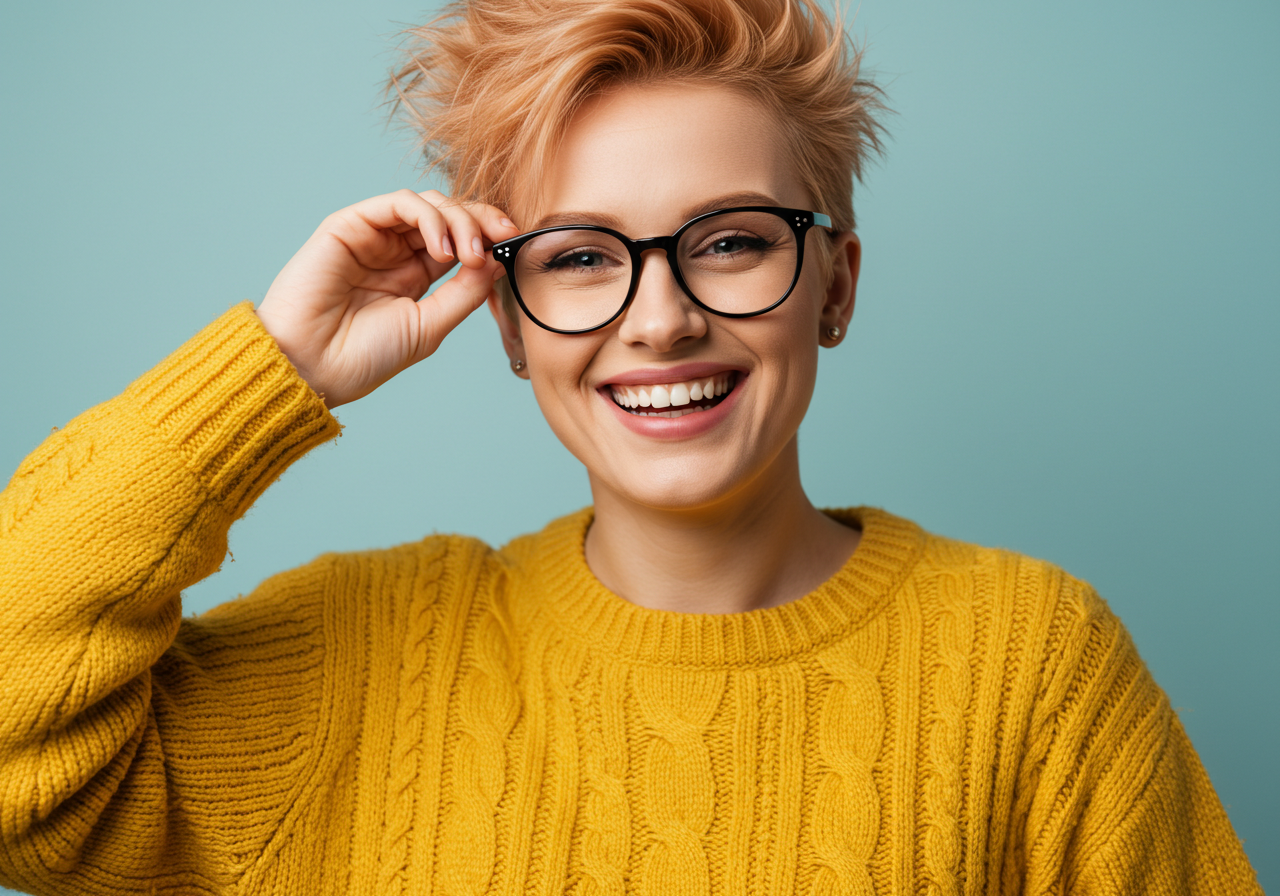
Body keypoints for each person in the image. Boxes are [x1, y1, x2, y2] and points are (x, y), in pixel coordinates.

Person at [0, 0, 1261, 892]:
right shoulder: (357, 658)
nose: (660, 319)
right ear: (505, 321)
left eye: (730, 240)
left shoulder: (1031, 667)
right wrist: (269, 370)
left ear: (834, 282)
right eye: (578, 257)